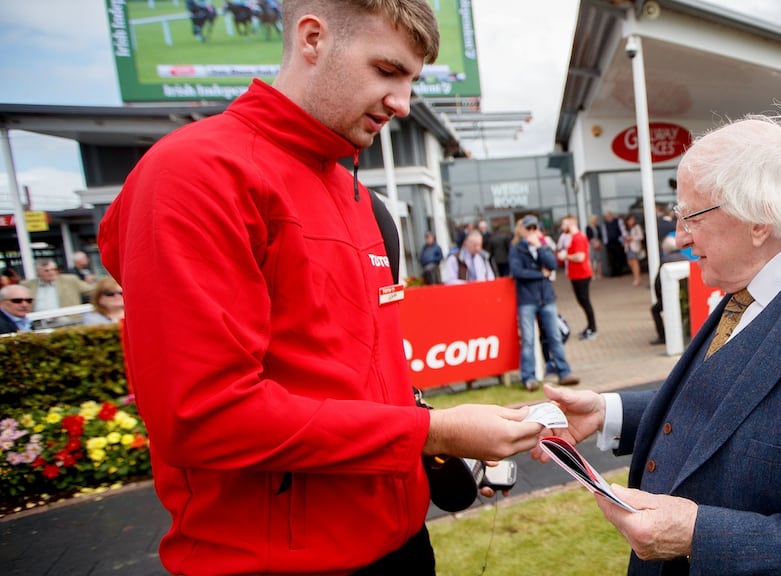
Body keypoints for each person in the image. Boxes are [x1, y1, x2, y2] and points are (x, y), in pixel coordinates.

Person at [97, 2, 544, 574]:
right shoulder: (195, 173)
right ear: (312, 38)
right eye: (387, 71)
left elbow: (358, 380)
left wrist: (435, 442)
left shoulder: (364, 200)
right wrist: (435, 431)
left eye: (411, 80)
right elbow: (204, 416)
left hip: (402, 546)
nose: (403, 104)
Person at [534, 111, 781, 575]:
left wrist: (697, 535)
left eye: (692, 215)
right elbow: (733, 407)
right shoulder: (754, 283)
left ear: (759, 217)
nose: (680, 235)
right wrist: (609, 413)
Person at [510, 215, 579, 391]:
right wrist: (541, 274)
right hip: (527, 299)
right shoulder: (517, 249)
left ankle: (564, 372)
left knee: (554, 336)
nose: (532, 231)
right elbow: (518, 272)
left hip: (546, 298)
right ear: (522, 230)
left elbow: (552, 264)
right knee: (528, 339)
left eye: (535, 228)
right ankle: (529, 377)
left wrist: (539, 247)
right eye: (529, 228)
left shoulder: (544, 246)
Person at [557, 215, 597, 340]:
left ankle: (592, 328)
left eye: (564, 224)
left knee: (585, 301)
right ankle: (590, 327)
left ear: (570, 224)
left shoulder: (578, 238)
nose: (562, 227)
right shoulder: (574, 238)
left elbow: (580, 257)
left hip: (581, 274)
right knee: (582, 301)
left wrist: (566, 257)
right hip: (576, 274)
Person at [649, 235, 688, 346]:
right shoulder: (685, 258)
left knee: (655, 310)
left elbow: (657, 283)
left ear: (665, 249)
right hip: (686, 296)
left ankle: (662, 336)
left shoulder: (665, 261)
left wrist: (660, 298)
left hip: (671, 297)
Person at [21, 258, 94, 311]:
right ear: (38, 272)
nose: (51, 272)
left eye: (54, 269)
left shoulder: (70, 280)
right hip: (38, 321)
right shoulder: (27, 285)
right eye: (46, 270)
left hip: (68, 320)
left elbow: (92, 291)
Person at [603, 211, 627, 277]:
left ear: (611, 215)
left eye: (608, 216)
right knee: (611, 258)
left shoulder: (618, 221)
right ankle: (613, 272)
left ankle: (619, 271)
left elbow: (622, 231)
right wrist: (606, 243)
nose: (607, 217)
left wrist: (623, 241)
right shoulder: (605, 224)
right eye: (606, 217)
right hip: (610, 243)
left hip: (618, 242)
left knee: (619, 257)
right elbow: (605, 234)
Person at [624, 213, 645, 286]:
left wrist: (632, 238)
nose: (631, 221)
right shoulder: (626, 228)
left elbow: (640, 236)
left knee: (635, 263)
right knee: (630, 263)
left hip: (635, 246)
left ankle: (637, 279)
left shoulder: (636, 227)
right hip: (628, 247)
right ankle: (635, 277)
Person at [586, 214, 603, 280]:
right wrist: (593, 243)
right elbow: (588, 236)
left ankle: (599, 273)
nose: (596, 221)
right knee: (592, 259)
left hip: (598, 243)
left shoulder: (598, 227)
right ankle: (593, 273)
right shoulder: (588, 227)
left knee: (598, 259)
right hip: (591, 244)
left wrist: (598, 243)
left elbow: (600, 235)